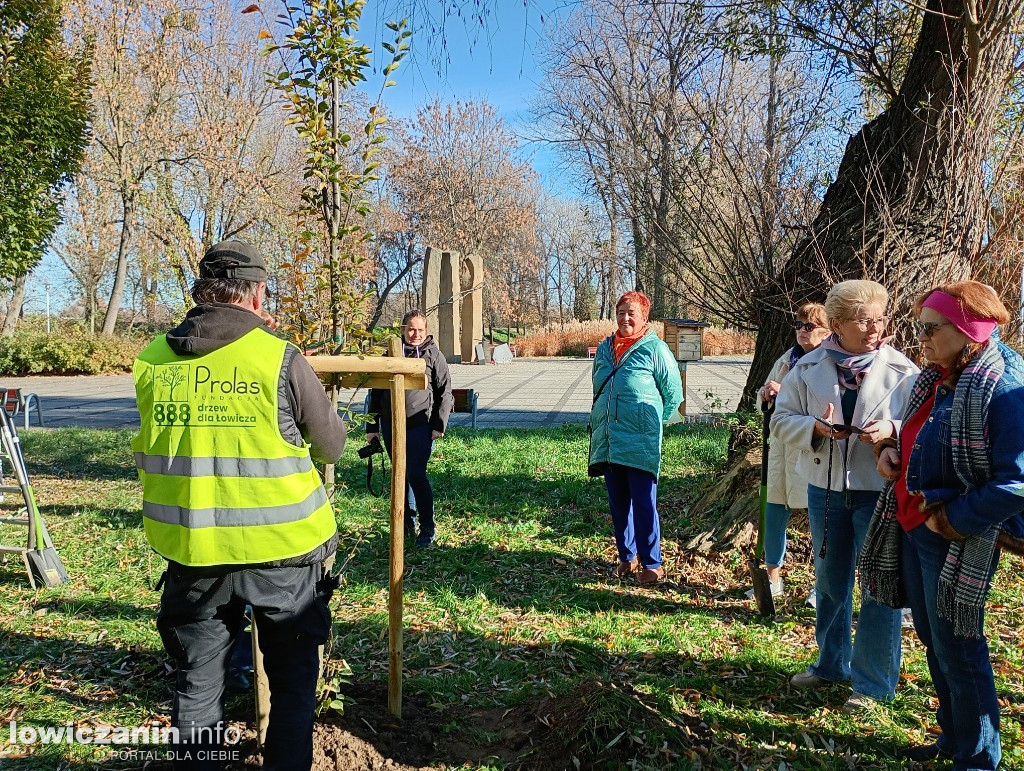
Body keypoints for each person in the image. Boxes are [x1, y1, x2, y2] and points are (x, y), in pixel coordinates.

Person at [132, 240, 347, 770]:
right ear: (256, 293)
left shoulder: (152, 359)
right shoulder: (279, 358)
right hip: (283, 557)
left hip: (194, 555)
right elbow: (332, 446)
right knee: (293, 689)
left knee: (197, 692)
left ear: (202, 291)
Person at [861, 281, 1024, 768]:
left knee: (960, 645)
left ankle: (977, 759)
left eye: (931, 329)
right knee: (935, 640)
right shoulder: (938, 376)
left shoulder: (1004, 387)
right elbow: (917, 435)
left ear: (967, 330)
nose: (922, 339)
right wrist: (890, 452)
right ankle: (954, 739)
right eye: (919, 328)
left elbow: (1016, 482)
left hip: (954, 534)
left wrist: (953, 521)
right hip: (913, 522)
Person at [771, 279, 918, 712]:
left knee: (879, 587)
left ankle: (872, 684)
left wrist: (891, 431)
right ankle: (830, 664)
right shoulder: (807, 366)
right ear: (836, 324)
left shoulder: (903, 371)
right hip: (827, 490)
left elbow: (921, 427)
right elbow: (781, 421)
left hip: (878, 493)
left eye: (879, 318)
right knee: (831, 582)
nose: (875, 328)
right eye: (863, 320)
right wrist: (814, 427)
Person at [588, 291, 683, 585]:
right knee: (618, 504)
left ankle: (652, 563)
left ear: (644, 317)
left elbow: (674, 397)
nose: (625, 318)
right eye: (621, 312)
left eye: (632, 313)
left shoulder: (656, 349)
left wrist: (650, 423)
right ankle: (626, 558)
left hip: (641, 441)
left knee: (643, 503)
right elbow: (599, 389)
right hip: (609, 439)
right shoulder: (605, 349)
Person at [746, 302, 829, 600]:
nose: (802, 331)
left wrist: (787, 397)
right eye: (798, 325)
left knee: (820, 521)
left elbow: (825, 408)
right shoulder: (786, 359)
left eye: (809, 326)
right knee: (774, 513)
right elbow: (763, 397)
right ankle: (772, 579)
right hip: (779, 450)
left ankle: (822, 586)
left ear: (826, 330)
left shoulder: (828, 363)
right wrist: (767, 396)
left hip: (811, 451)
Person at [367, 309, 453, 548]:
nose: (416, 334)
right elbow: (376, 391)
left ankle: (427, 528)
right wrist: (371, 426)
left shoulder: (434, 356)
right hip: (390, 424)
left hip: (420, 426)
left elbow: (445, 393)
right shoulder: (391, 354)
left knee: (415, 473)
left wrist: (439, 425)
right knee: (399, 475)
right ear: (403, 329)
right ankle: (405, 523)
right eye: (411, 329)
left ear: (426, 331)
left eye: (420, 330)